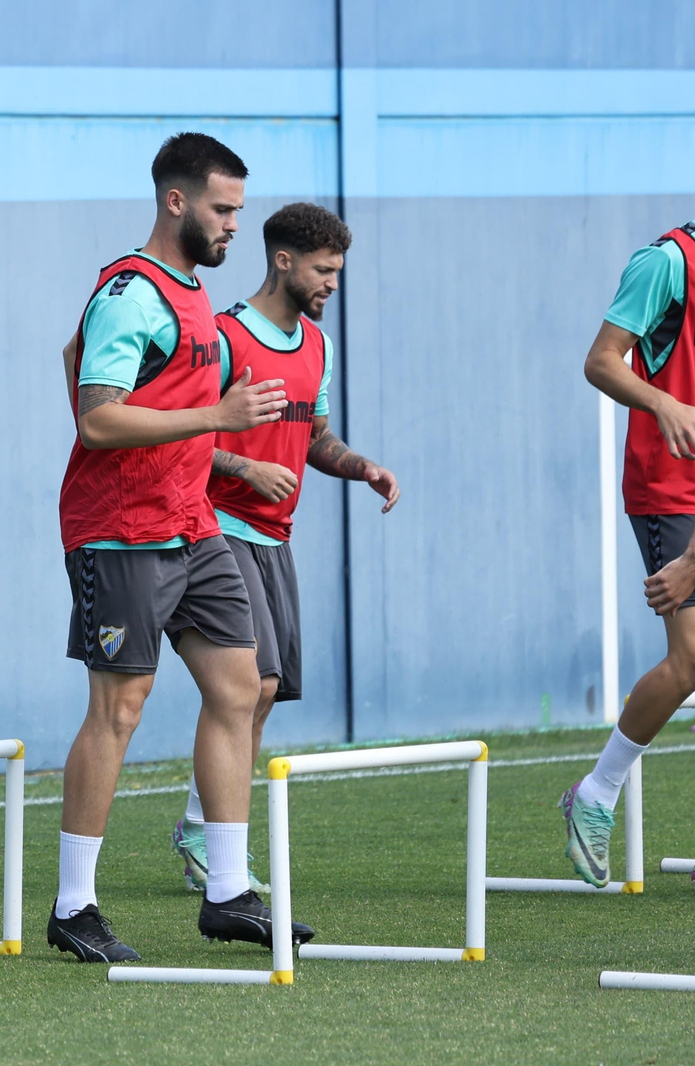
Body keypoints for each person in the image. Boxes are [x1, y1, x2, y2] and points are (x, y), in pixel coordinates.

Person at [48, 132, 314, 962]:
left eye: (237, 209)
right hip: (122, 530)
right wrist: (215, 421)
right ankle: (73, 907)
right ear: (176, 202)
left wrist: (199, 453)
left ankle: (229, 893)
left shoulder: (193, 291)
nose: (235, 224)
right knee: (119, 709)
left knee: (243, 686)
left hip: (193, 524)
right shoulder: (132, 292)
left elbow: (70, 355)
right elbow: (95, 414)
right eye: (222, 209)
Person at [169, 203, 399, 893]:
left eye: (337, 271)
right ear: (283, 261)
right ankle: (214, 849)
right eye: (324, 271)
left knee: (263, 698)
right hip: (214, 529)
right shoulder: (226, 338)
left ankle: (197, 827)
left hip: (275, 538)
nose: (332, 283)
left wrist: (359, 466)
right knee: (254, 684)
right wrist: (242, 469)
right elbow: (183, 434)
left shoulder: (317, 348)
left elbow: (314, 438)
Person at [572, 133, 695, 890]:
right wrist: (663, 400)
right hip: (672, 486)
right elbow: (602, 359)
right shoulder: (668, 261)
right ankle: (595, 793)